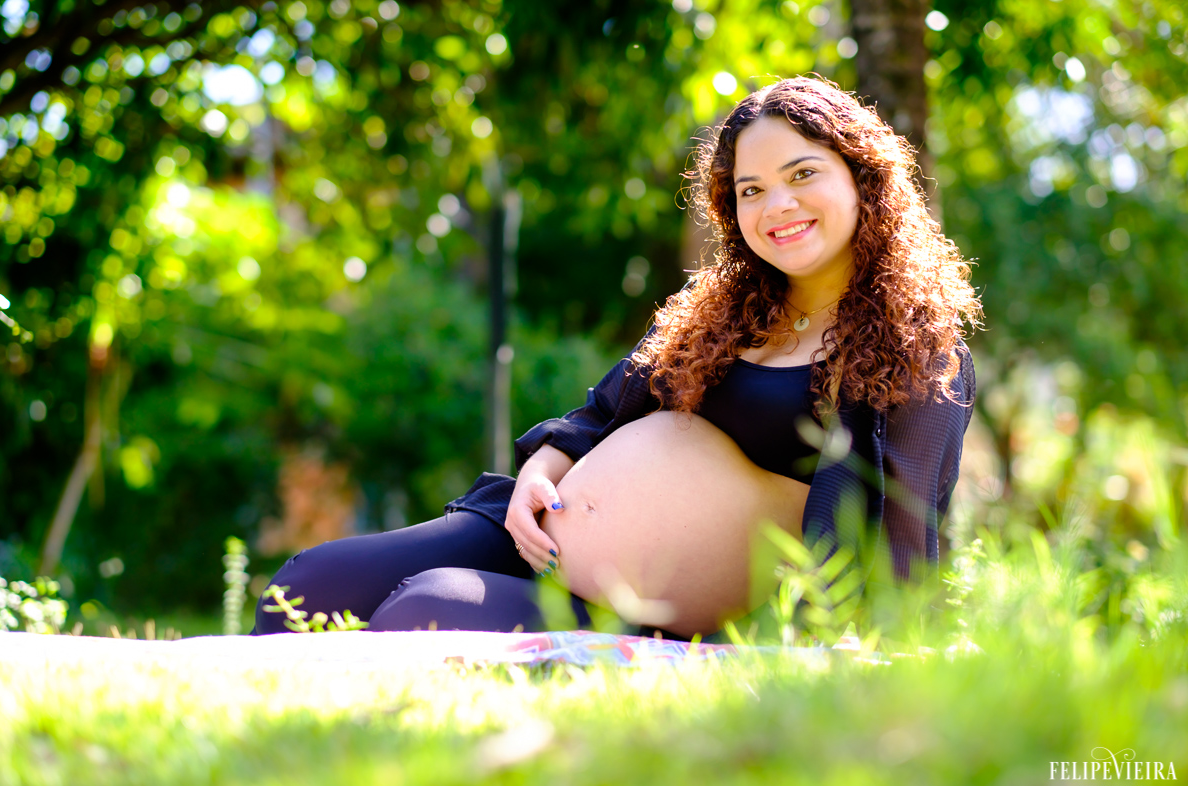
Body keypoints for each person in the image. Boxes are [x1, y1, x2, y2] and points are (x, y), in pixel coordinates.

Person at [253, 75, 981, 640]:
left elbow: (894, 530)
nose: (776, 206)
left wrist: (826, 649)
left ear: (863, 178)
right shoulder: (721, 316)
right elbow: (597, 415)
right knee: (306, 586)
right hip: (536, 538)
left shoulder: (914, 349)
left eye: (802, 175)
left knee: (425, 612)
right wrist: (543, 467)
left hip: (663, 610)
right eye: (750, 190)